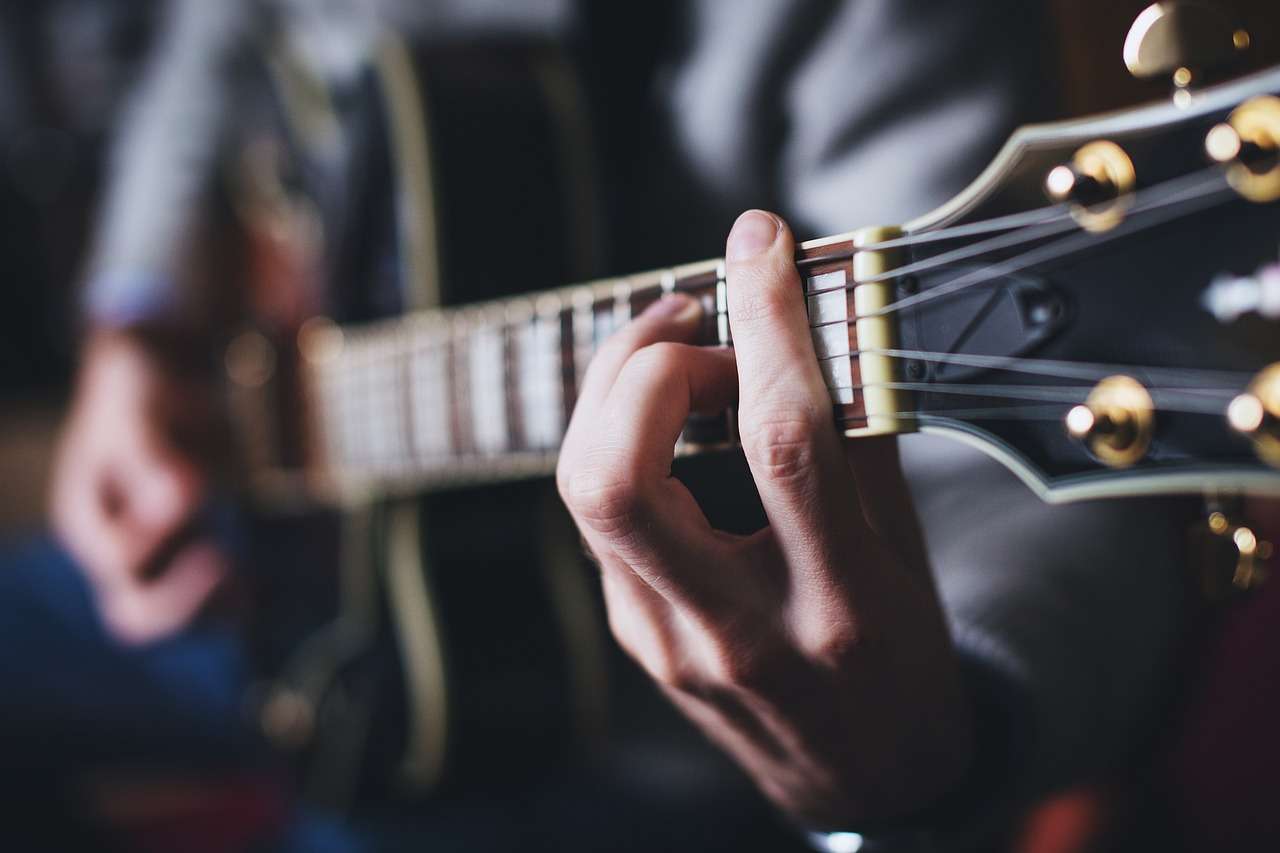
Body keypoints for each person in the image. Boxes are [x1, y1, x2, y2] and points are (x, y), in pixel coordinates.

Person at [42, 0, 1188, 849]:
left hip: (612, 740)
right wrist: (132, 323)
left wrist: (953, 726)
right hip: (259, 577)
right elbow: (209, 43)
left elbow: (1038, 473)